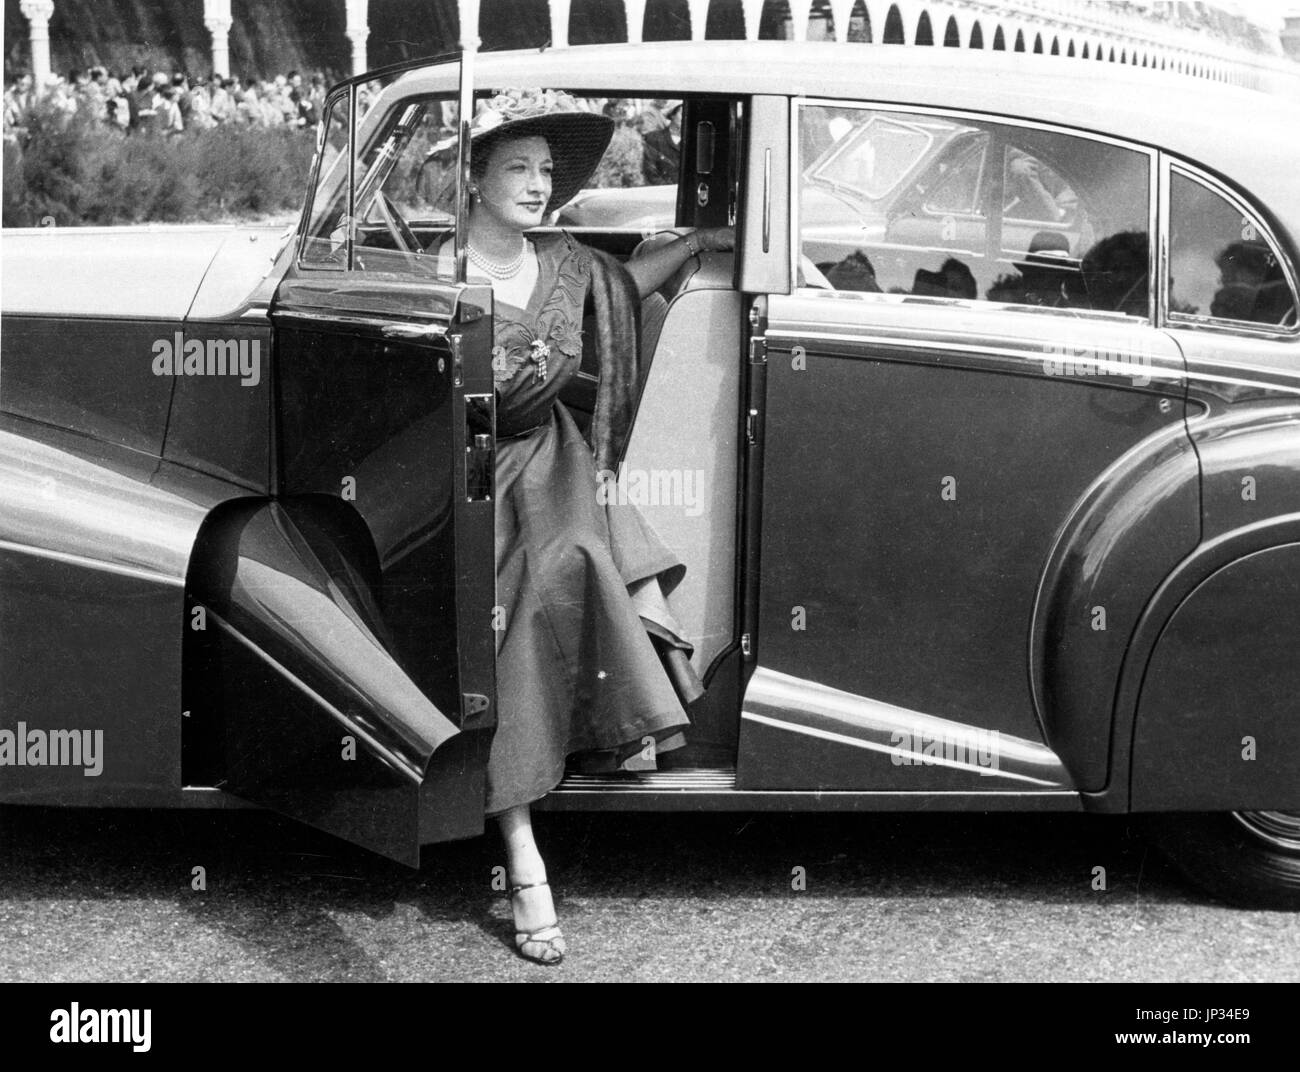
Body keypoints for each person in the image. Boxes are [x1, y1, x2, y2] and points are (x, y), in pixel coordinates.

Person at [430, 88, 732, 965]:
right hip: (464, 478)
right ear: (475, 178)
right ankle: (523, 853)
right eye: (516, 168)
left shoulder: (566, 262)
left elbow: (626, 286)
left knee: (570, 561)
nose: (536, 185)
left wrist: (699, 245)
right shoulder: (438, 273)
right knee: (505, 609)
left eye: (546, 172)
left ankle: (543, 824)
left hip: (557, 461)